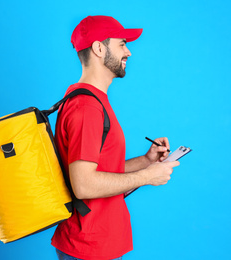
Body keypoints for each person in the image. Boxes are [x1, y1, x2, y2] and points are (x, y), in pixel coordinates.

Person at [51, 15, 180, 260]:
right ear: (99, 48)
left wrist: (146, 161)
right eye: (121, 43)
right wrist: (147, 177)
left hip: (98, 243)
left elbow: (100, 171)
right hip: (88, 246)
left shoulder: (92, 101)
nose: (128, 52)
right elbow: (83, 185)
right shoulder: (87, 107)